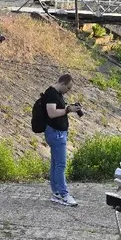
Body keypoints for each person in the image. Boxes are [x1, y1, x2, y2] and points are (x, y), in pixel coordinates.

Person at [34, 74, 83, 207]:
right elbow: (52, 113)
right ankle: (64, 194)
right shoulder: (51, 94)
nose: (68, 90)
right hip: (55, 134)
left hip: (58, 133)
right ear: (62, 83)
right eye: (68, 88)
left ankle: (56, 193)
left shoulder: (55, 94)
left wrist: (69, 108)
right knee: (61, 165)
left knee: (55, 164)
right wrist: (68, 109)